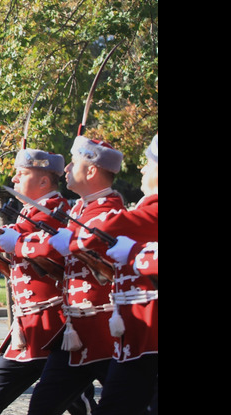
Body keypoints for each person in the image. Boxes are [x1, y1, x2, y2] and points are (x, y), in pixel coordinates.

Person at [0, 148, 95, 414]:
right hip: (28, 332)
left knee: (80, 406)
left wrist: (14, 242)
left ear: (44, 181)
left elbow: (39, 245)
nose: (14, 180)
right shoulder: (31, 214)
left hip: (55, 328)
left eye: (21, 174)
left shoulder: (57, 214)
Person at [26, 136, 126, 415]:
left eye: (74, 162)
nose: (66, 168)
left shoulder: (108, 209)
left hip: (106, 334)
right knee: (42, 407)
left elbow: (77, 242)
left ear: (92, 170)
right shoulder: (79, 209)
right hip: (75, 334)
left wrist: (23, 244)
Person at [74, 133, 158, 415]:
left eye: (150, 162)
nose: (143, 169)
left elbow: (106, 228)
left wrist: (134, 255)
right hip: (136, 342)